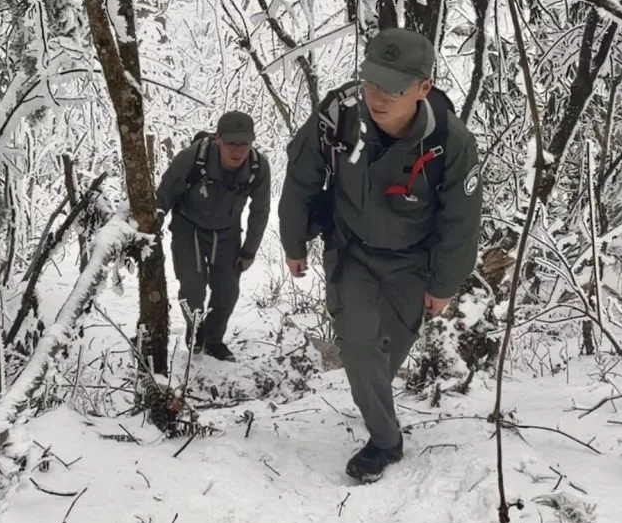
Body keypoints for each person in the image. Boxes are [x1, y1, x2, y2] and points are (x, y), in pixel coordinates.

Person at [278, 27, 482, 482]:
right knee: (360, 349)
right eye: (371, 82)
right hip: (352, 254)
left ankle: (372, 397)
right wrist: (295, 242)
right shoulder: (339, 118)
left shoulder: (451, 143)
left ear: (423, 88)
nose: (377, 95)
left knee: (383, 358)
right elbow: (301, 179)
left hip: (412, 264)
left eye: (393, 87)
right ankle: (385, 442)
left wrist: (444, 284)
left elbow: (461, 223)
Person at [156, 111, 271, 361]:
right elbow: (164, 193)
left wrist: (249, 250)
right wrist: (152, 224)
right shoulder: (192, 159)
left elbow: (260, 210)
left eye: (245, 143)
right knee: (193, 290)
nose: (238, 150)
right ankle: (195, 334)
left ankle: (214, 340)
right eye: (231, 143)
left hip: (227, 233)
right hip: (189, 229)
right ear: (219, 139)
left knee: (227, 291)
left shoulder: (257, 167)